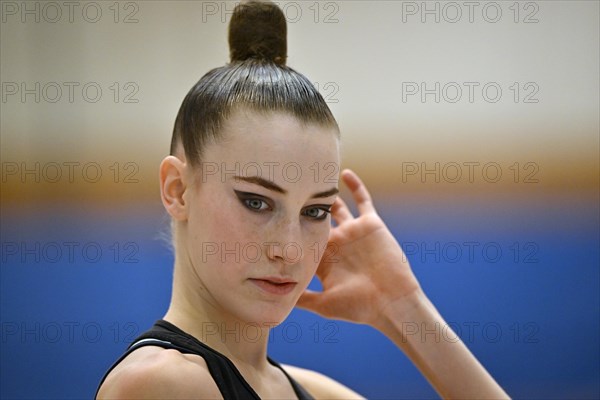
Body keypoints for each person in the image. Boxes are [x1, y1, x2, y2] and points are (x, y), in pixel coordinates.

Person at [96, 1, 510, 398]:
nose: (290, 249)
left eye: (315, 211)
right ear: (178, 190)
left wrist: (402, 308)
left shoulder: (307, 390)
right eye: (257, 202)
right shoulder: (159, 386)